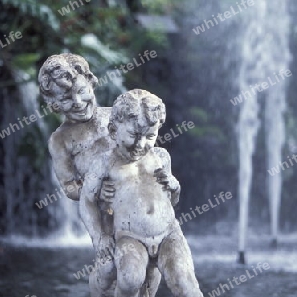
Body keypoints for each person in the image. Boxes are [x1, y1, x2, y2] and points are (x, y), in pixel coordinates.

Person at [38, 55, 160, 297]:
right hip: (105, 214)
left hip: (141, 204)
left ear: (91, 82)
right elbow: (68, 185)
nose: (77, 101)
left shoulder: (116, 115)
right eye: (64, 98)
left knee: (150, 267)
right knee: (109, 269)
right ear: (53, 104)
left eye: (81, 91)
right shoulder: (60, 140)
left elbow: (148, 152)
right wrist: (90, 190)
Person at [82, 89, 203, 297]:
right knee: (130, 280)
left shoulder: (161, 157)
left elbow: (171, 201)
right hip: (130, 236)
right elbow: (86, 200)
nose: (140, 144)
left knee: (185, 283)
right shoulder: (105, 163)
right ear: (113, 130)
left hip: (168, 234)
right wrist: (99, 237)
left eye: (149, 136)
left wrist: (175, 187)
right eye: (133, 135)